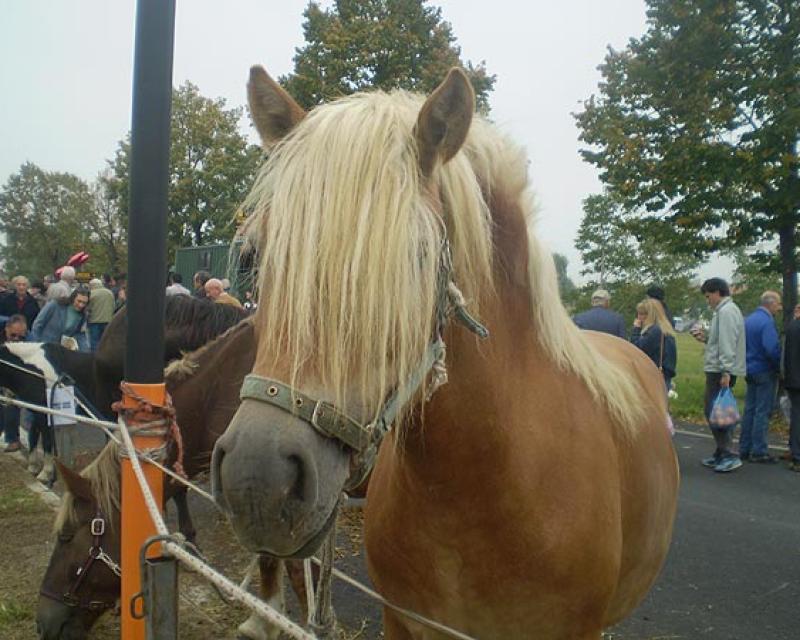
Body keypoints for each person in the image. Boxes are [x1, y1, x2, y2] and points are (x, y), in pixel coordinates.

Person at [690, 278, 746, 473]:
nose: (708, 301)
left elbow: (728, 342)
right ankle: (722, 451)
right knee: (716, 411)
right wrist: (705, 339)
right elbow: (719, 341)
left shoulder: (727, 312)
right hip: (718, 368)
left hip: (720, 370)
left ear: (716, 292)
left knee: (716, 412)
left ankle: (728, 453)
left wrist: (726, 371)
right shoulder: (723, 312)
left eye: (708, 297)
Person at [738, 291, 782, 463]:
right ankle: (759, 450)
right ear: (771, 304)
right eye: (778, 304)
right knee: (762, 412)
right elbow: (771, 348)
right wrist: (779, 366)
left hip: (749, 368)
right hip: (764, 369)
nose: (779, 308)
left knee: (750, 409)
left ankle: (744, 447)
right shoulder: (767, 322)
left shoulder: (748, 320)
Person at [630, 298, 677, 393]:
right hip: (664, 375)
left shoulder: (654, 331)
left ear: (650, 315)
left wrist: (636, 330)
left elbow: (636, 349)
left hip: (652, 376)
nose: (639, 318)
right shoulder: (666, 330)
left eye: (642, 314)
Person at [0, 315, 29, 453]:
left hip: (16, 373)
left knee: (11, 403)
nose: (16, 339)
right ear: (6, 329)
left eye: (21, 337)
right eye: (13, 335)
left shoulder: (30, 340)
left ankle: (12, 440)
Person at [31, 287, 90, 351]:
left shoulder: (83, 315)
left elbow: (79, 334)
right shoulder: (55, 305)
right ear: (73, 298)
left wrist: (85, 351)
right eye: (79, 301)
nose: (81, 305)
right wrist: (36, 344)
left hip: (62, 351)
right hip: (44, 346)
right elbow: (38, 324)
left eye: (84, 303)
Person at [783, 306, 800, 472]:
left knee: (796, 416)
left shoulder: (792, 327)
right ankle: (797, 454)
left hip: (792, 378)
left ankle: (793, 449)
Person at [86, 278, 115, 351]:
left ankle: (95, 358)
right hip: (108, 321)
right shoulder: (110, 293)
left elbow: (87, 308)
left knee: (95, 342)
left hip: (94, 321)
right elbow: (114, 306)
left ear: (92, 285)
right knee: (105, 342)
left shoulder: (91, 294)